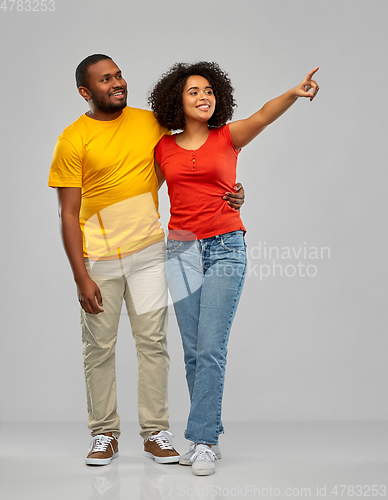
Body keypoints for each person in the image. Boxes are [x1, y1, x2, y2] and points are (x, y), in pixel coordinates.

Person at [48, 54, 245, 466]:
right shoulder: (72, 139)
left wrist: (231, 194)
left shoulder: (151, 123)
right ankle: (104, 434)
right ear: (86, 92)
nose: (117, 83)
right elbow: (68, 213)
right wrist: (80, 276)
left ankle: (156, 432)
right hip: (98, 258)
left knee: (154, 344)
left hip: (153, 254)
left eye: (119, 75)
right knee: (99, 347)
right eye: (105, 80)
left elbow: (194, 161)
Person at [148, 62, 319, 475]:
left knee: (210, 347)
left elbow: (262, 113)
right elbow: (142, 193)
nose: (204, 96)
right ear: (177, 101)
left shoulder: (228, 137)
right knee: (192, 351)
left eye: (209, 90)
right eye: (193, 92)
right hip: (181, 251)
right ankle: (210, 428)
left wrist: (294, 93)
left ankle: (203, 440)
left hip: (225, 247)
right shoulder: (162, 149)